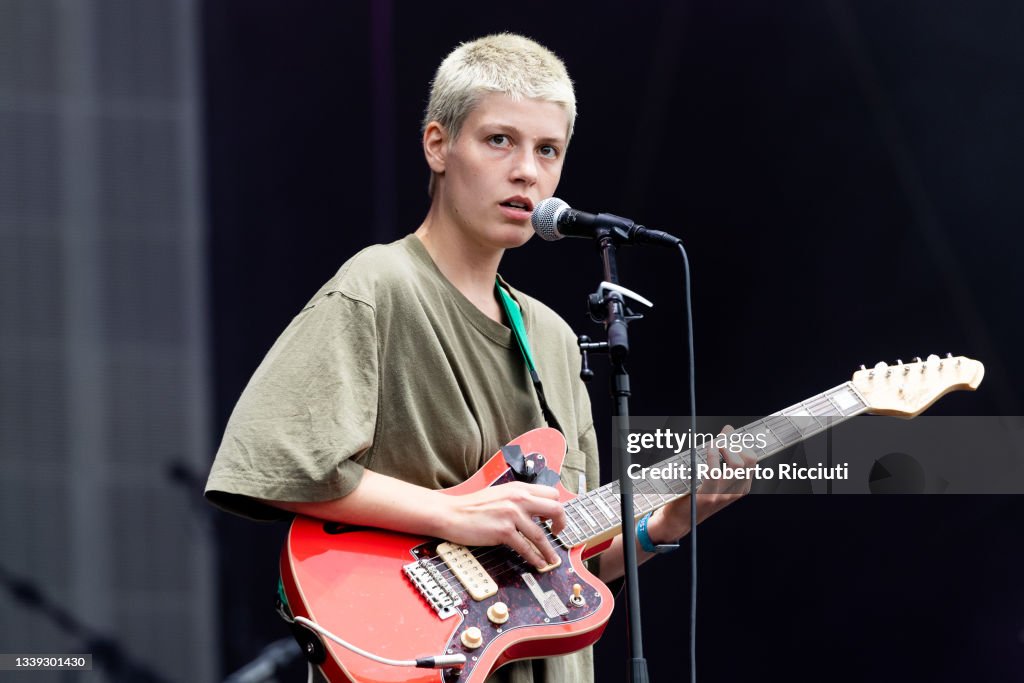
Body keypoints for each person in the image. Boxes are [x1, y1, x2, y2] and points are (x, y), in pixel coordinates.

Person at [206, 33, 755, 683]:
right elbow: (274, 460)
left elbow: (560, 559)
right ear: (437, 144)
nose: (527, 170)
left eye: (547, 150)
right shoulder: (380, 285)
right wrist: (453, 513)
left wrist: (661, 526)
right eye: (500, 140)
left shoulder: (552, 336)